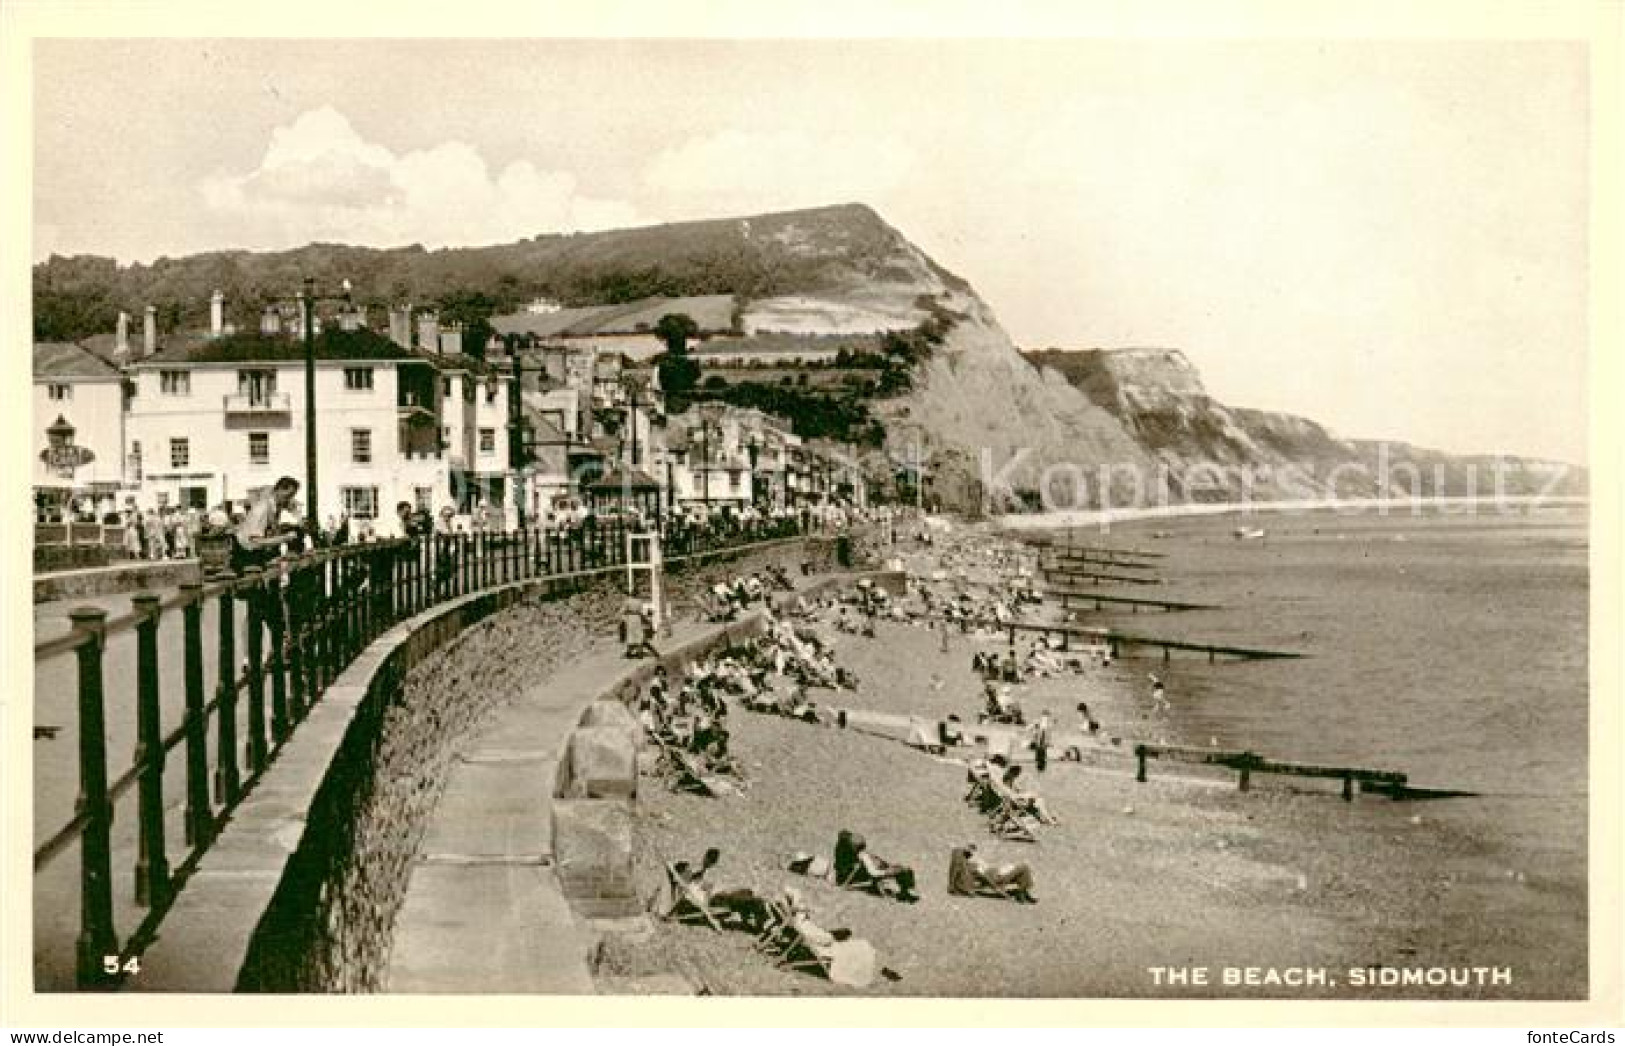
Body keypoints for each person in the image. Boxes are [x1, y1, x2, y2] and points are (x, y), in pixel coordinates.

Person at [232, 477, 302, 575]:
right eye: (288, 496)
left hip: (255, 554)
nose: (289, 500)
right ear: (279, 490)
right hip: (246, 556)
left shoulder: (274, 508)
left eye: (292, 496)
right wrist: (286, 538)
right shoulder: (262, 509)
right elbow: (256, 542)